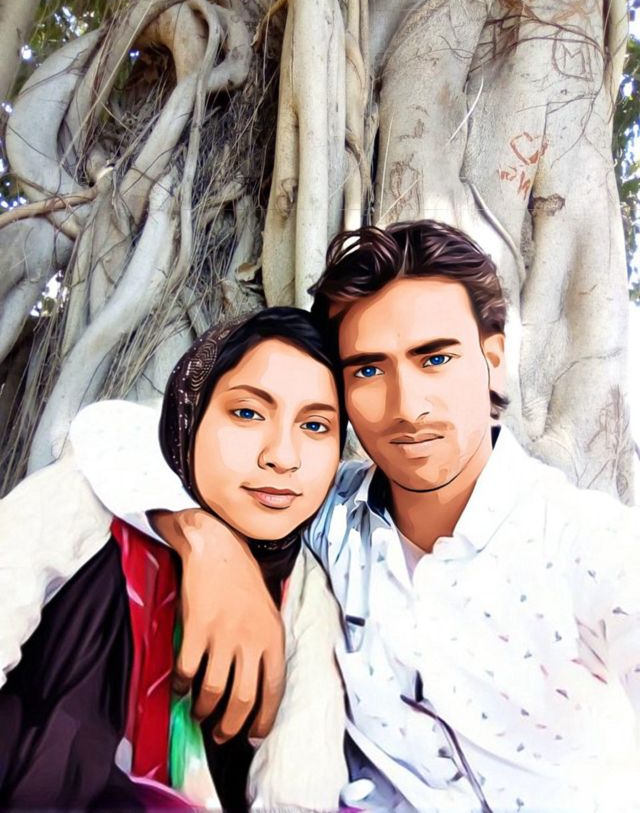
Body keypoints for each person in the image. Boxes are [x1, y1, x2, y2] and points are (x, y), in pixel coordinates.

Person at [6, 221, 640, 810]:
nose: (406, 405)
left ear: (493, 358)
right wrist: (203, 537)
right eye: (368, 369)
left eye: (435, 358)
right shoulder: (327, 512)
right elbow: (116, 431)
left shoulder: (591, 546)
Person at [0, 307, 348, 810]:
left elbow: (299, 787)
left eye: (315, 425)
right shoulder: (85, 499)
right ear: (190, 414)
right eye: (248, 414)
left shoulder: (307, 592)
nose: (282, 456)